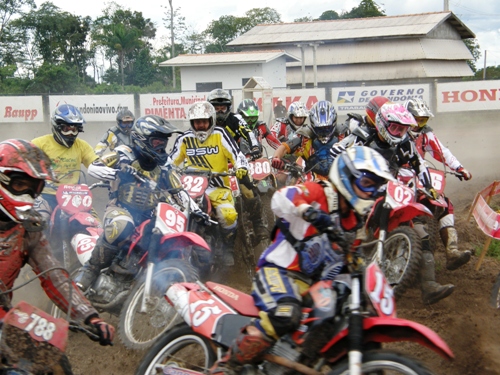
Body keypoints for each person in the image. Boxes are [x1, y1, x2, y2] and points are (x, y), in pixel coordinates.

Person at [209, 146, 394, 375]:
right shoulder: (321, 193)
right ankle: (229, 365)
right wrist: (309, 212)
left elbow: (347, 269)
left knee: (338, 320)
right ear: (347, 177)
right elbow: (279, 199)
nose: (371, 192)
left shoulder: (354, 225)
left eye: (376, 186)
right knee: (286, 313)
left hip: (311, 286)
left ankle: (300, 363)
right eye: (367, 183)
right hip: (278, 271)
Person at [331, 103, 455, 304]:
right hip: (359, 189)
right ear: (382, 124)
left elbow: (420, 166)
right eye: (395, 127)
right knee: (341, 223)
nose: (399, 132)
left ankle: (429, 285)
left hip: (390, 190)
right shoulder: (362, 136)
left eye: (403, 128)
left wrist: (429, 186)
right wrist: (345, 157)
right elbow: (336, 149)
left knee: (420, 233)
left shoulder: (406, 144)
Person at [0, 139, 114, 347]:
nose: (26, 195)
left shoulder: (28, 230)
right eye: (18, 185)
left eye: (32, 188)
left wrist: (90, 317)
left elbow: (54, 276)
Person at [72, 115, 197, 291]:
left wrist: (197, 210)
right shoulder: (124, 152)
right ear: (142, 139)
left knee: (166, 235)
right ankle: (90, 270)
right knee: (123, 224)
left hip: (150, 215)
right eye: (156, 142)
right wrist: (114, 173)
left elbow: (179, 191)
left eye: (163, 142)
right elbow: (94, 166)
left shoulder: (164, 165)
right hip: (120, 209)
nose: (161, 147)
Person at [168, 101, 251, 266]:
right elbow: (171, 161)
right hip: (189, 189)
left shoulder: (220, 134)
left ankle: (228, 248)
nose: (200, 126)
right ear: (192, 123)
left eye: (204, 121)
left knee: (228, 215)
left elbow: (237, 155)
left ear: (211, 121)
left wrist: (241, 167)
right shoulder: (184, 139)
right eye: (197, 122)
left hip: (218, 187)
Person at [405, 98, 471, 271]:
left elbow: (442, 152)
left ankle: (452, 251)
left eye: (423, 120)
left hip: (419, 175)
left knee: (444, 204)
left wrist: (459, 167)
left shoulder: (425, 134)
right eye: (417, 119)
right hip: (394, 175)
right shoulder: (397, 129)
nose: (419, 124)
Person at [32, 104, 100, 230]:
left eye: (74, 129)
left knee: (96, 225)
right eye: (66, 128)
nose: (70, 133)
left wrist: (106, 168)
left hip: (75, 195)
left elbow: (95, 162)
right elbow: (25, 163)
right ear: (56, 127)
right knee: (38, 224)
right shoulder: (39, 144)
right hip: (47, 195)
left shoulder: (82, 146)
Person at [236, 99, 282, 242]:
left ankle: (280, 219)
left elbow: (273, 141)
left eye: (253, 118)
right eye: (247, 118)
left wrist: (282, 153)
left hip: (258, 162)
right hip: (240, 163)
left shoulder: (261, 126)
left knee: (276, 183)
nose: (250, 121)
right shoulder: (233, 127)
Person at [271, 100, 349, 180]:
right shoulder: (305, 136)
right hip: (311, 178)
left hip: (340, 177)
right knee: (281, 179)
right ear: (313, 124)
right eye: (319, 128)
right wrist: (276, 158)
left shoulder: (343, 134)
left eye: (326, 127)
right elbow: (284, 147)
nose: (323, 131)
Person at [207, 88, 260, 159]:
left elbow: (248, 132)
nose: (220, 112)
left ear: (228, 108)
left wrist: (255, 148)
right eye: (216, 109)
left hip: (233, 159)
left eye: (223, 108)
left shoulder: (236, 118)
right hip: (209, 158)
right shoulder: (205, 120)